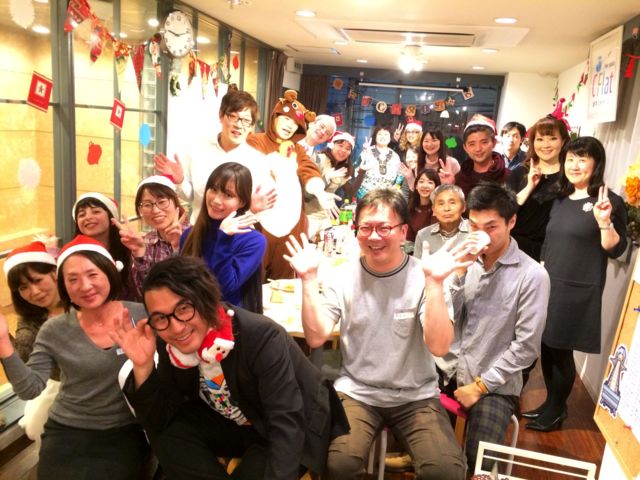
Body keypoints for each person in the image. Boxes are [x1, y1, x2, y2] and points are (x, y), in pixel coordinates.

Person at [112, 255, 349, 480]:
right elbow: (159, 418)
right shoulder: (169, 342)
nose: (176, 328)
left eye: (184, 309)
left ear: (206, 300)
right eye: (161, 317)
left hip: (289, 424)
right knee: (165, 432)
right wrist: (143, 366)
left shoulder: (261, 337)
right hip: (232, 419)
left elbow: (287, 422)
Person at [284, 188, 466, 479]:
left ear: (403, 231)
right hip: (358, 391)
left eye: (384, 228)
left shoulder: (426, 274)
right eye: (366, 228)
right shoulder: (342, 275)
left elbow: (440, 346)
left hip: (416, 395)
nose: (374, 236)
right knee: (338, 465)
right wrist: (308, 280)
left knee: (445, 471)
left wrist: (434, 283)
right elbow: (317, 337)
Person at [0, 235, 149, 479]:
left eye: (92, 274)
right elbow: (30, 389)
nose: (85, 286)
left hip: (125, 428)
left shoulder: (140, 315)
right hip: (67, 428)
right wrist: (3, 343)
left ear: (109, 273)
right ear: (64, 286)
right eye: (73, 279)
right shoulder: (54, 329)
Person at [524, 137, 627, 431]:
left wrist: (604, 222)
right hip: (550, 283)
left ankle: (557, 410)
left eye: (582, 159)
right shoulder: (560, 198)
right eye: (570, 159)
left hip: (578, 288)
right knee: (547, 345)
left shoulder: (609, 201)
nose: (574, 165)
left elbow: (617, 250)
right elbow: (550, 240)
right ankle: (550, 404)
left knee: (561, 349)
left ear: (596, 164)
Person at [446, 184, 550, 469]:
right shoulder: (463, 260)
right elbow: (446, 317)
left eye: (491, 227)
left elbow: (526, 347)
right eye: (474, 226)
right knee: (433, 454)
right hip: (447, 371)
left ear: (511, 222)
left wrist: (480, 386)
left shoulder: (532, 275)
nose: (482, 235)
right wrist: (458, 273)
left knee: (478, 459)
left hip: (494, 385)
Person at [247, 89, 339, 279]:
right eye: (287, 119)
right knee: (252, 276)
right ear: (276, 116)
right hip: (260, 222)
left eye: (296, 123)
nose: (290, 126)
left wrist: (320, 192)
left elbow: (308, 170)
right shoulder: (255, 141)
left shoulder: (298, 149)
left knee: (285, 280)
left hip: (291, 225)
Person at [154, 89, 276, 224]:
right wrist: (180, 181)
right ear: (221, 116)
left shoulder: (259, 162)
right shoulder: (197, 149)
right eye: (233, 116)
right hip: (200, 231)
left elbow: (264, 207)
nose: (238, 125)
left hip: (237, 234)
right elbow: (191, 197)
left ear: (251, 126)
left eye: (246, 120)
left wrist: (252, 210)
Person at [181, 162, 266, 312]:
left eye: (228, 195)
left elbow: (223, 287)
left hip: (228, 320)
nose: (216, 200)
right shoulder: (190, 235)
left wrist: (224, 238)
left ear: (242, 202)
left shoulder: (253, 241)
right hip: (189, 316)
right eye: (213, 189)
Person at [4, 242, 63, 445]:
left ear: (54, 273)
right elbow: (23, 369)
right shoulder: (30, 323)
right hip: (59, 386)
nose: (34, 291)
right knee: (37, 426)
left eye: (37, 280)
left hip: (101, 384)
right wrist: (4, 341)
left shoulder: (82, 300)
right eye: (23, 287)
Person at [115, 175, 189, 301]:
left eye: (162, 202)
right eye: (147, 204)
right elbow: (142, 295)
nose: (155, 210)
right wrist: (139, 252)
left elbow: (195, 288)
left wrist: (178, 248)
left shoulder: (196, 235)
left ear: (176, 202)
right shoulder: (146, 241)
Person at [507, 116, 570, 261]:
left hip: (552, 252)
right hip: (514, 248)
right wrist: (529, 187)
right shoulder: (520, 172)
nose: (545, 145)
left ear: (563, 141)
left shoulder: (569, 176)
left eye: (552, 138)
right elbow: (503, 210)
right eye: (540, 139)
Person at [73, 192, 134, 300]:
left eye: (96, 211)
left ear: (112, 219)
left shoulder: (130, 249)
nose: (88, 217)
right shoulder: (73, 257)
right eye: (82, 215)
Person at [305, 131, 358, 238]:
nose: (343, 150)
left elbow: (351, 191)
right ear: (332, 145)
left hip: (327, 218)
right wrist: (326, 178)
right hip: (309, 216)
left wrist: (362, 171)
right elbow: (306, 194)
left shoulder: (343, 168)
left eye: (348, 148)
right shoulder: (319, 159)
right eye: (340, 145)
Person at [455, 115, 509, 196]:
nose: (478, 149)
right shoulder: (460, 178)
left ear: (494, 143)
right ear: (465, 147)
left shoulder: (508, 176)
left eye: (484, 142)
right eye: (472, 144)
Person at [414, 184, 469, 259]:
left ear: (464, 207)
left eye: (452, 202)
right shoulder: (423, 235)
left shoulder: (475, 230)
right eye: (441, 204)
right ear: (433, 209)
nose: (446, 208)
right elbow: (417, 265)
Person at [356, 126, 403, 198]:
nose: (383, 137)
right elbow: (355, 170)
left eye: (386, 134)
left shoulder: (395, 156)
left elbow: (400, 174)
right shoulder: (367, 151)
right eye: (380, 134)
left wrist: (396, 186)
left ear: (390, 137)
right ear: (375, 136)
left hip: (386, 197)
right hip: (366, 195)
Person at [407, 168, 441, 242]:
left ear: (436, 187)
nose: (425, 186)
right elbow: (409, 239)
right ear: (416, 186)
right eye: (421, 181)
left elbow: (436, 235)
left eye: (430, 182)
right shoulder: (411, 208)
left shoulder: (440, 208)